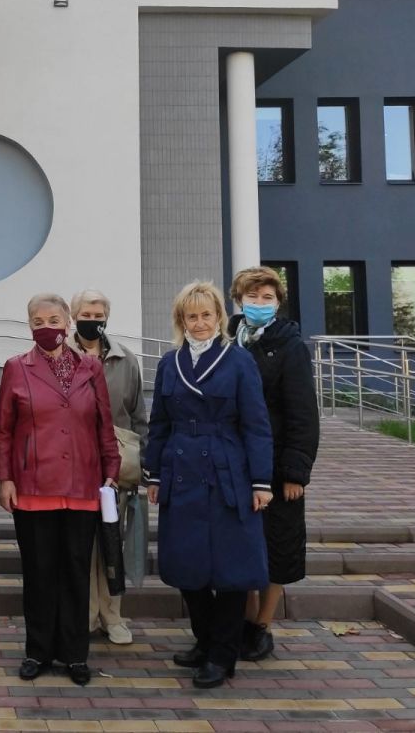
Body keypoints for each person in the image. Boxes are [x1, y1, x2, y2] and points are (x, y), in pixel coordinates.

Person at [143, 280, 273, 689]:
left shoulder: (239, 361)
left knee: (231, 569)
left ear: (219, 317)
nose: (199, 323)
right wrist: (154, 473)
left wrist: (261, 481)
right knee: (187, 565)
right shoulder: (170, 363)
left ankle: (222, 654)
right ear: (181, 320)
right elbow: (159, 423)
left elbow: (256, 424)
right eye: (191, 316)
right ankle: (204, 640)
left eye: (206, 315)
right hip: (181, 471)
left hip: (227, 471)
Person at [0, 292, 121, 687]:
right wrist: (4, 478)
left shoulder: (91, 367)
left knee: (76, 573)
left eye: (53, 320)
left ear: (67, 322)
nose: (46, 327)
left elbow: (104, 423)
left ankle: (75, 654)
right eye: (38, 321)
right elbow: (3, 429)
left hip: (83, 486)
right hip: (33, 487)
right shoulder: (16, 367)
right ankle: (38, 651)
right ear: (29, 326)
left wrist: (112, 470)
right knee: (39, 574)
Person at [227, 267, 320, 662]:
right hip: (236, 463)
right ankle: (245, 622)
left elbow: (303, 412)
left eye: (267, 298)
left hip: (278, 467)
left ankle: (263, 625)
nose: (259, 304)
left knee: (277, 548)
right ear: (238, 300)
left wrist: (296, 470)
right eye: (252, 297)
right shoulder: (226, 341)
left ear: (279, 302)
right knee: (242, 546)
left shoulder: (290, 346)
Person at [71, 288, 149, 647]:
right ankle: (86, 614)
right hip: (74, 465)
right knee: (82, 545)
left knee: (111, 543)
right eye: (86, 315)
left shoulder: (125, 360)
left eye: (98, 315)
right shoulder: (62, 357)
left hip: (115, 467)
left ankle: (112, 615)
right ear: (74, 317)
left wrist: (141, 462)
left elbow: (138, 416)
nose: (92, 321)